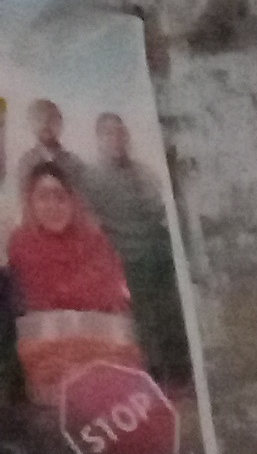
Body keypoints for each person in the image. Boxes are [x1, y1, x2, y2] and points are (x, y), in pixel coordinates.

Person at [10, 162, 139, 405]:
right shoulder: (20, 246)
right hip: (46, 381)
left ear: (73, 201)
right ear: (31, 202)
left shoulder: (95, 242)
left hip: (103, 369)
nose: (53, 206)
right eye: (43, 197)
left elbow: (117, 303)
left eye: (61, 197)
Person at [77, 113, 184, 389]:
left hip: (159, 255)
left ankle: (180, 372)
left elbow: (161, 210)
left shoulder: (145, 172)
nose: (117, 139)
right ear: (99, 139)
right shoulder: (91, 179)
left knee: (170, 314)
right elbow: (89, 225)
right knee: (143, 324)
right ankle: (153, 379)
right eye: (109, 134)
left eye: (121, 133)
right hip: (126, 262)